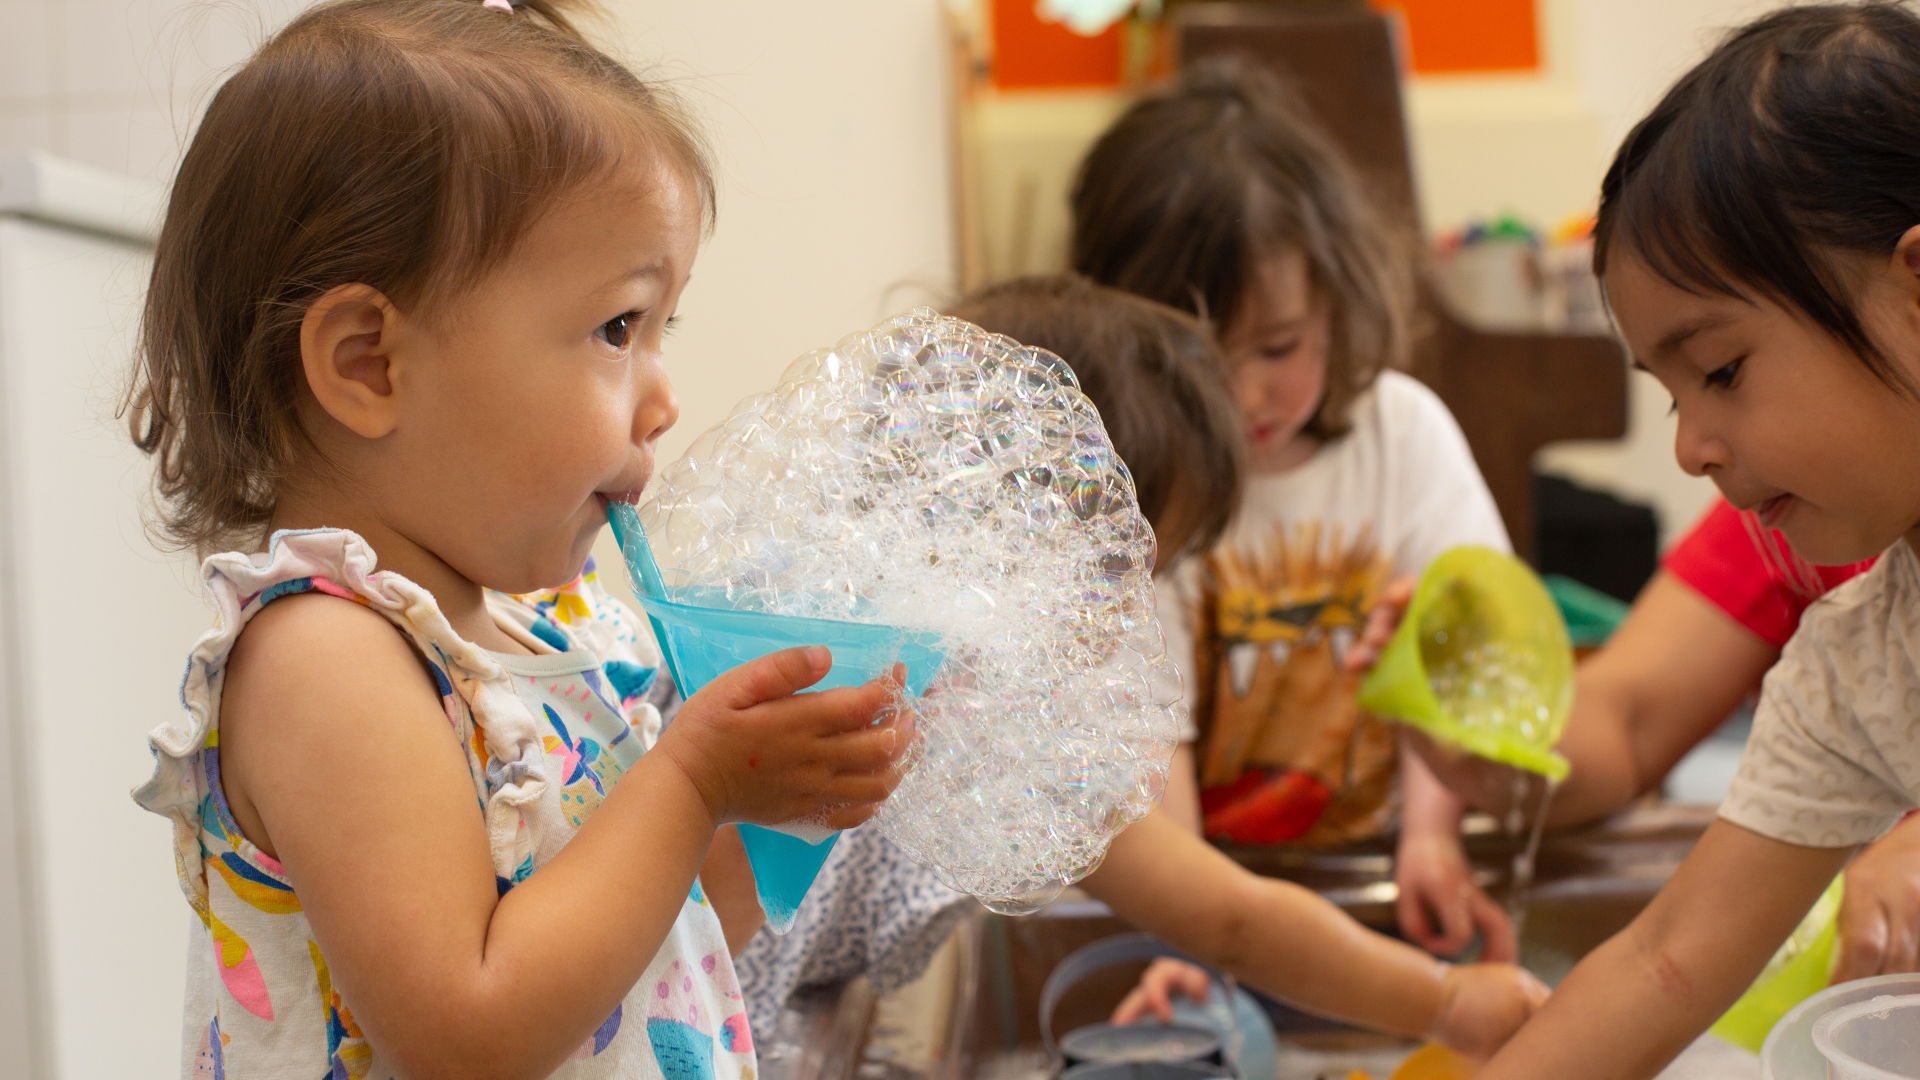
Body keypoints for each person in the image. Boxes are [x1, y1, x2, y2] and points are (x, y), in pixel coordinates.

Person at [127, 1, 914, 1075]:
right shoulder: (329, 662)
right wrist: (690, 787)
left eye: (658, 330)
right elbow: (472, 1028)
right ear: (370, 364)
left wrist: (780, 796)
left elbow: (669, 946)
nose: (664, 396)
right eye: (618, 328)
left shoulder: (562, 629)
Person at [733, 275, 1547, 1061]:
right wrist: (1444, 1002)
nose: (1129, 621)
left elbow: (1229, 919)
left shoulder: (874, 673)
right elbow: (1233, 920)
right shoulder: (920, 714)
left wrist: (1442, 1001)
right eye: (1123, 574)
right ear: (1009, 528)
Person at [1473, 4, 1920, 1076]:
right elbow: (1668, 962)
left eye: (1719, 371)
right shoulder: (1857, 668)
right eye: (1670, 395)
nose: (1690, 451)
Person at [1071, 56, 1517, 961]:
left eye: (1279, 346)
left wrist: (1431, 833)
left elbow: (1463, 661)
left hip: (1381, 864)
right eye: (1199, 356)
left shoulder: (1405, 435)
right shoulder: (1135, 492)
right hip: (1204, 884)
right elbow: (1157, 746)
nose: (1245, 396)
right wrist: (1190, 940)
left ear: (1336, 302)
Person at [1410, 496, 1920, 981]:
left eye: (1725, 396)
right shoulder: (1786, 519)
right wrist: (1479, 725)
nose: (1688, 451)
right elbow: (1629, 719)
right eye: (1678, 408)